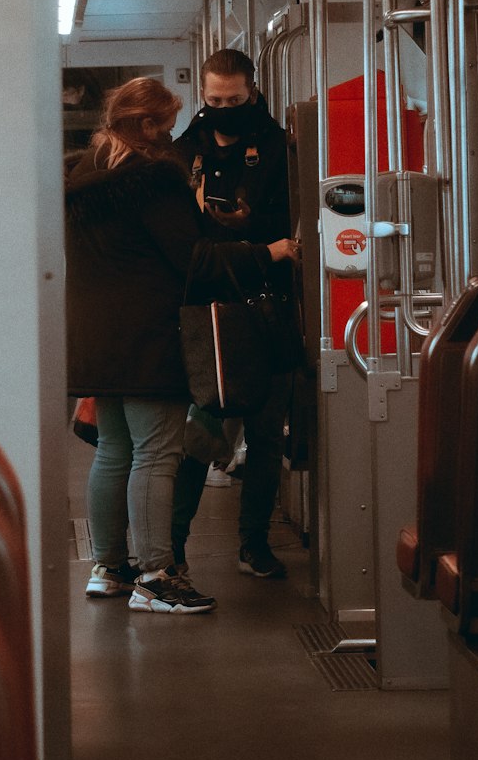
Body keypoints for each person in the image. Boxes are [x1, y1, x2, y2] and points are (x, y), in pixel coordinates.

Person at [64, 75, 299, 615]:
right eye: (166, 125)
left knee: (115, 451)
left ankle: (109, 567)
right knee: (156, 453)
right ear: (144, 126)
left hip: (97, 340)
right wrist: (270, 252)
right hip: (149, 337)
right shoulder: (152, 180)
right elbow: (193, 261)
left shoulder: (82, 175)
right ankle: (156, 576)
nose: (171, 137)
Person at [171, 48, 302, 581]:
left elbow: (293, 227)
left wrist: (249, 227)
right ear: (202, 96)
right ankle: (174, 547)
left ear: (253, 91)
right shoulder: (184, 153)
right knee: (201, 434)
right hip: (210, 313)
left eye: (234, 99)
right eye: (214, 99)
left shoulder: (279, 149)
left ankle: (254, 542)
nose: (224, 107)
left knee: (267, 432)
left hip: (270, 306)